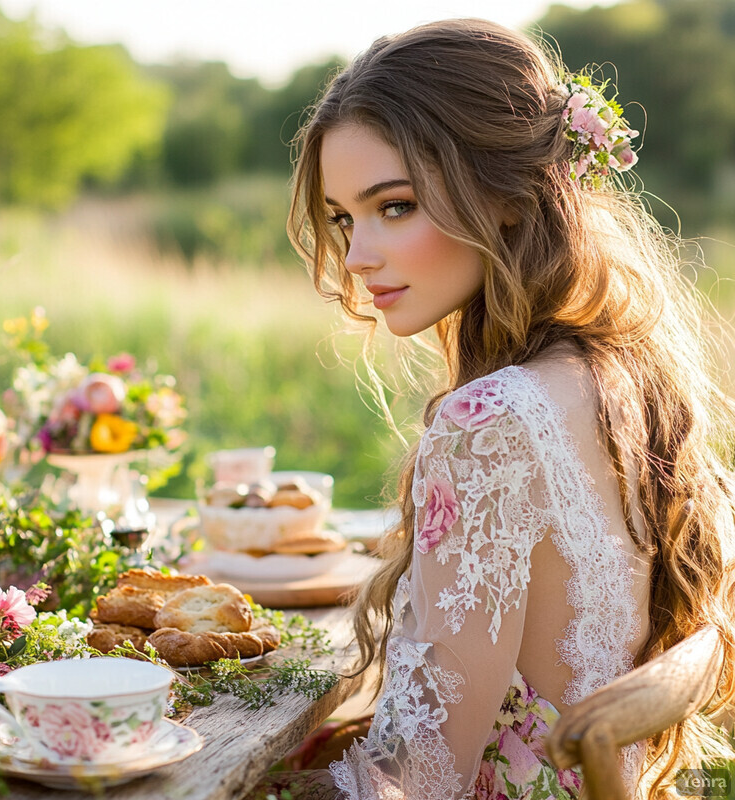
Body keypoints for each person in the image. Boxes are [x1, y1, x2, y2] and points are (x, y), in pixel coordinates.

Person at [262, 17, 735, 800]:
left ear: (508, 199)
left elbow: (425, 771)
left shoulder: (492, 419)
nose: (358, 257)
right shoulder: (611, 370)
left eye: (396, 206)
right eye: (345, 218)